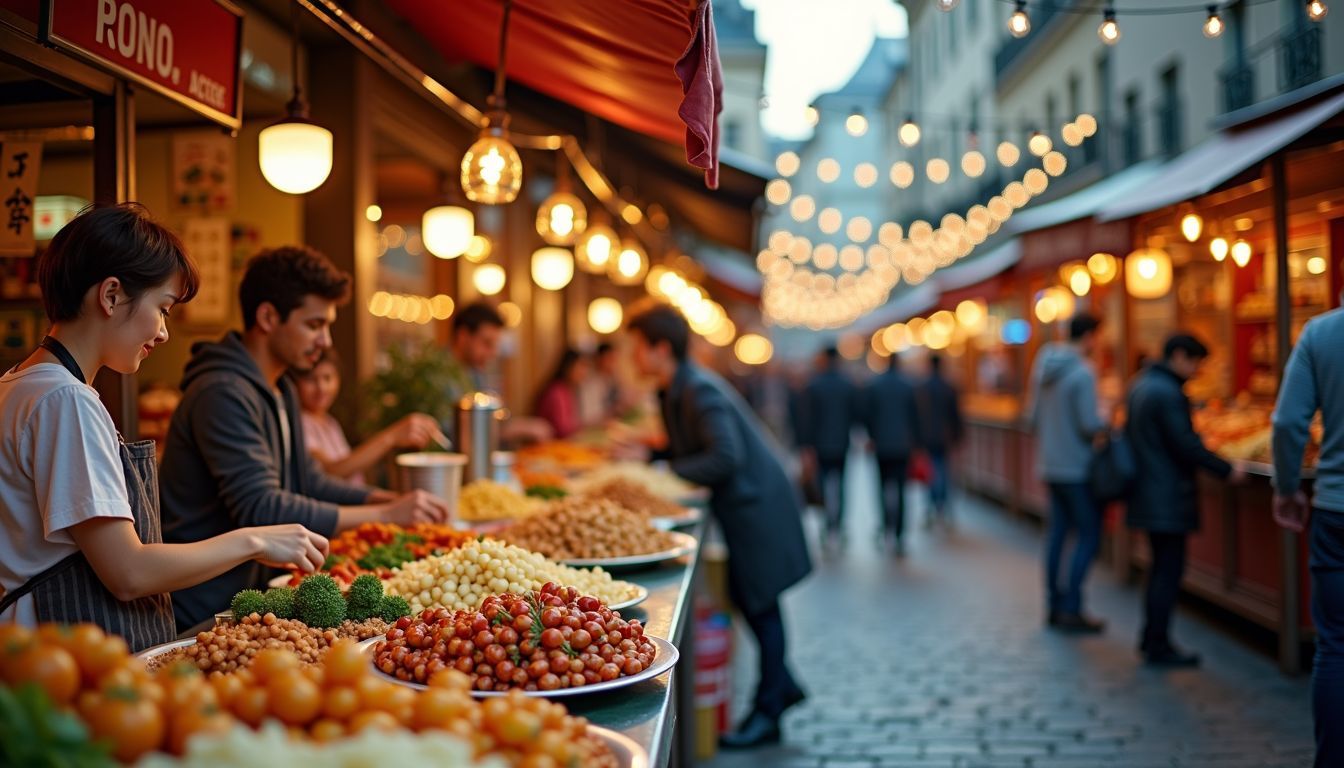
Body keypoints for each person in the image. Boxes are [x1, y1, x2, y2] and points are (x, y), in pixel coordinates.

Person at [0, 204, 327, 650]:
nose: (163, 333)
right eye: (164, 309)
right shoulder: (65, 399)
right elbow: (129, 573)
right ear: (111, 295)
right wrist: (253, 541)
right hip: (62, 658)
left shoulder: (18, 384)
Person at [160, 245, 450, 631]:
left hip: (256, 597)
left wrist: (385, 500)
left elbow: (307, 481)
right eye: (314, 325)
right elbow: (261, 508)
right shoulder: (222, 391)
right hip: (203, 610)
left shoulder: (281, 388)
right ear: (267, 317)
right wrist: (384, 515)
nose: (326, 341)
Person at [625, 307, 810, 749]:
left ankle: (769, 710)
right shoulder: (678, 387)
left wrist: (665, 466)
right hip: (744, 506)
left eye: (635, 349)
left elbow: (724, 456)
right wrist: (654, 456)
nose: (630, 359)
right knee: (753, 599)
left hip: (757, 505)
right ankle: (782, 688)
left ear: (660, 349)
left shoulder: (698, 389)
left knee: (761, 603)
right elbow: (697, 447)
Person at [1126, 334, 1245, 666]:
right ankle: (1158, 643)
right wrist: (1224, 469)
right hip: (1166, 493)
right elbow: (1186, 444)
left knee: (1159, 568)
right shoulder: (1167, 393)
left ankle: (1152, 638)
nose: (1197, 371)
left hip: (1149, 490)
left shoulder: (1142, 384)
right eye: (1195, 362)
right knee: (1167, 570)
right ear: (1178, 356)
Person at [1271, 300, 1344, 765]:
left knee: (1336, 644)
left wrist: (1287, 486)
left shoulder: (1320, 333)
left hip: (1336, 509)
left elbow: (1287, 422)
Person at [1026, 314, 1107, 633]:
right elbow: (1089, 425)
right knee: (1088, 534)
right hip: (1077, 467)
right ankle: (1072, 606)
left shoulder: (1043, 365)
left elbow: (1031, 418)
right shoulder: (1083, 373)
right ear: (1089, 336)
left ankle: (1054, 604)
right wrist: (1107, 420)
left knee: (1057, 535)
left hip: (1049, 464)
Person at [294, 347, 444, 485]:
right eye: (311, 380)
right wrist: (391, 436)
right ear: (296, 383)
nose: (322, 388)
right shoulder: (300, 422)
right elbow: (330, 472)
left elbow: (350, 471)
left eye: (327, 378)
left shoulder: (330, 422)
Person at [442, 302, 552, 445]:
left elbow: (492, 417)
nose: (493, 353)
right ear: (463, 336)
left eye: (495, 345)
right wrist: (513, 429)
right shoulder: (437, 373)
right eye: (487, 343)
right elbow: (449, 435)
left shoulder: (475, 372)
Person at [799, 346, 861, 545]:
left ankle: (827, 524)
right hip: (842, 443)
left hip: (820, 445)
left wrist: (806, 446)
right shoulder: (847, 385)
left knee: (824, 484)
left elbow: (807, 419)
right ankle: (838, 524)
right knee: (842, 485)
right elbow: (855, 415)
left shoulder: (814, 385)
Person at [865, 353, 921, 553]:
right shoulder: (908, 386)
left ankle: (886, 526)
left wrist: (871, 437)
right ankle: (899, 533)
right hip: (903, 446)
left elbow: (868, 415)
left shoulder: (875, 386)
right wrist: (916, 444)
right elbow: (915, 418)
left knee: (882, 488)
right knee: (901, 489)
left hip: (881, 444)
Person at [916, 353, 964, 525]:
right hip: (945, 436)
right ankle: (942, 506)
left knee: (930, 471)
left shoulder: (922, 387)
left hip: (928, 436)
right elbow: (955, 415)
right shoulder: (948, 387)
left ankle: (931, 506)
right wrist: (959, 436)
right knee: (943, 470)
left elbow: (918, 416)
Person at [534, 348, 588, 440]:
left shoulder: (566, 389)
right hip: (550, 445)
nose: (584, 372)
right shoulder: (557, 391)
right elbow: (562, 430)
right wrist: (587, 426)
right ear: (568, 367)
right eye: (581, 366)